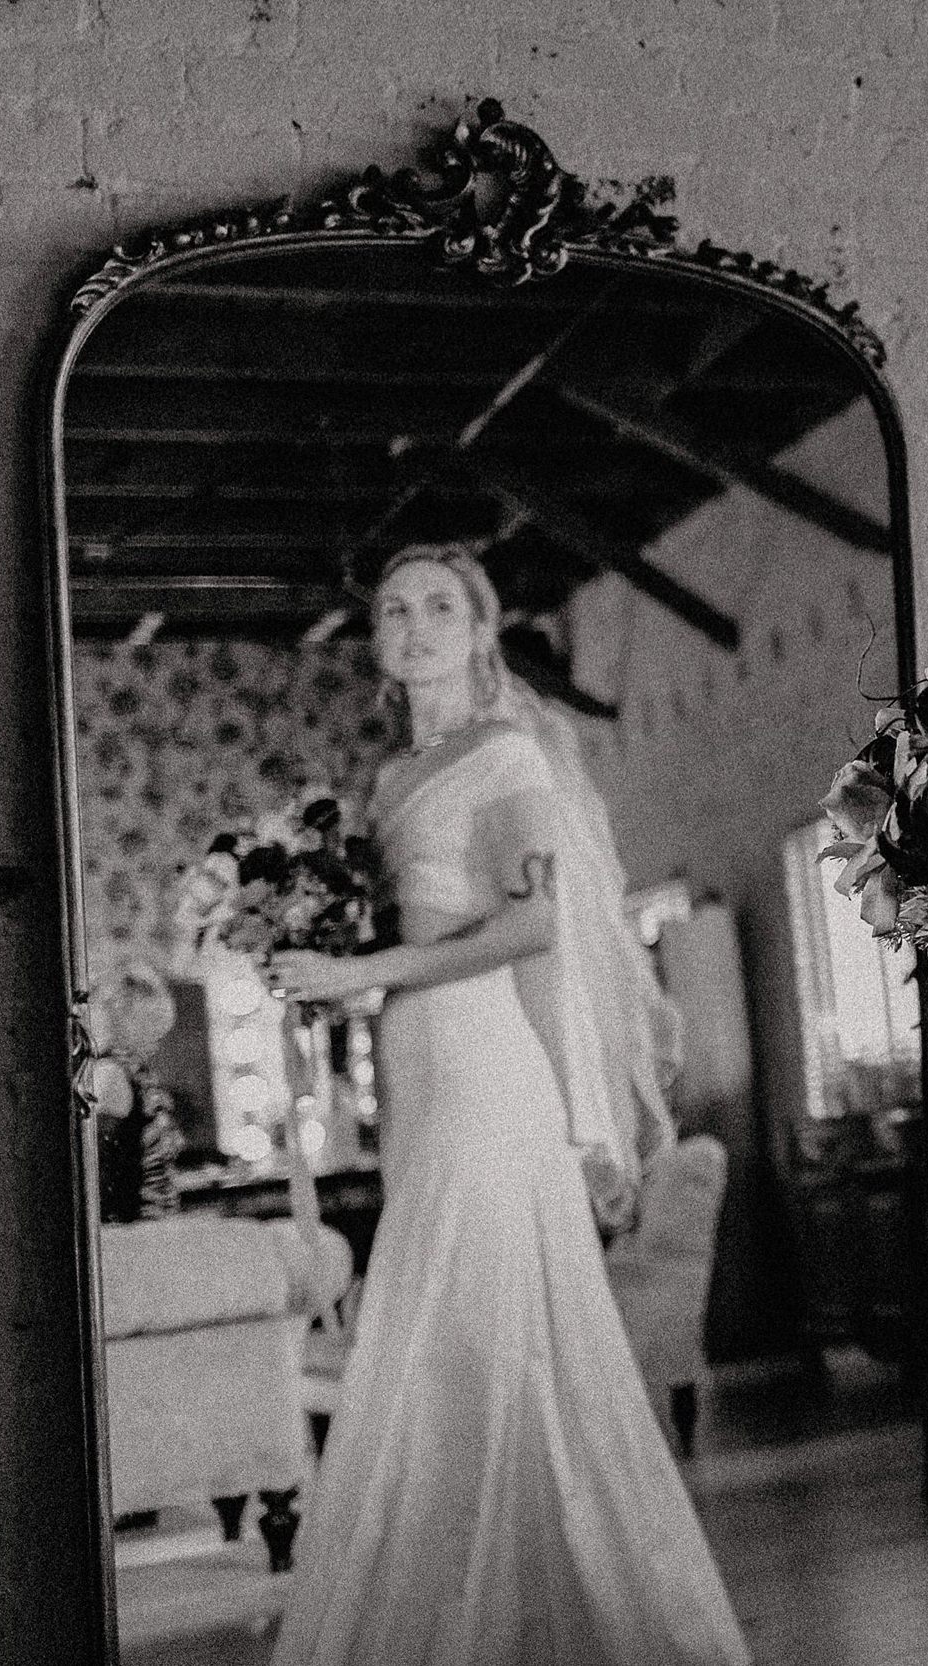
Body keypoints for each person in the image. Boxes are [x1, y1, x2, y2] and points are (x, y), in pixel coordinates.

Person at [264, 544, 748, 1665]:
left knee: (479, 1315)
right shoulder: (388, 780)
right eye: (395, 609)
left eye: (442, 606)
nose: (416, 625)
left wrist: (361, 971)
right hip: (417, 1061)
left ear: (481, 630)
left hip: (484, 1060)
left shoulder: (506, 753)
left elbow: (536, 930)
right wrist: (320, 955)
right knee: (445, 1327)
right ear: (378, 641)